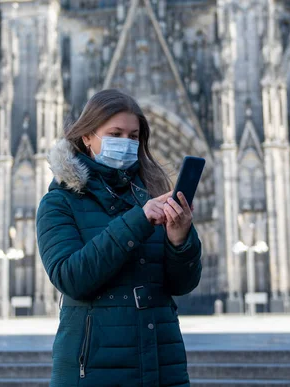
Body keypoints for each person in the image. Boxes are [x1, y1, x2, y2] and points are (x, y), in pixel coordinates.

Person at [36, 89, 202, 387]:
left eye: (133, 136)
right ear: (87, 136)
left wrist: (180, 240)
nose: (125, 144)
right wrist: (139, 220)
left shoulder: (151, 193)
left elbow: (182, 284)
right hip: (94, 368)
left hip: (160, 362)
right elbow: (70, 278)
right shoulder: (59, 202)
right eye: (115, 133)